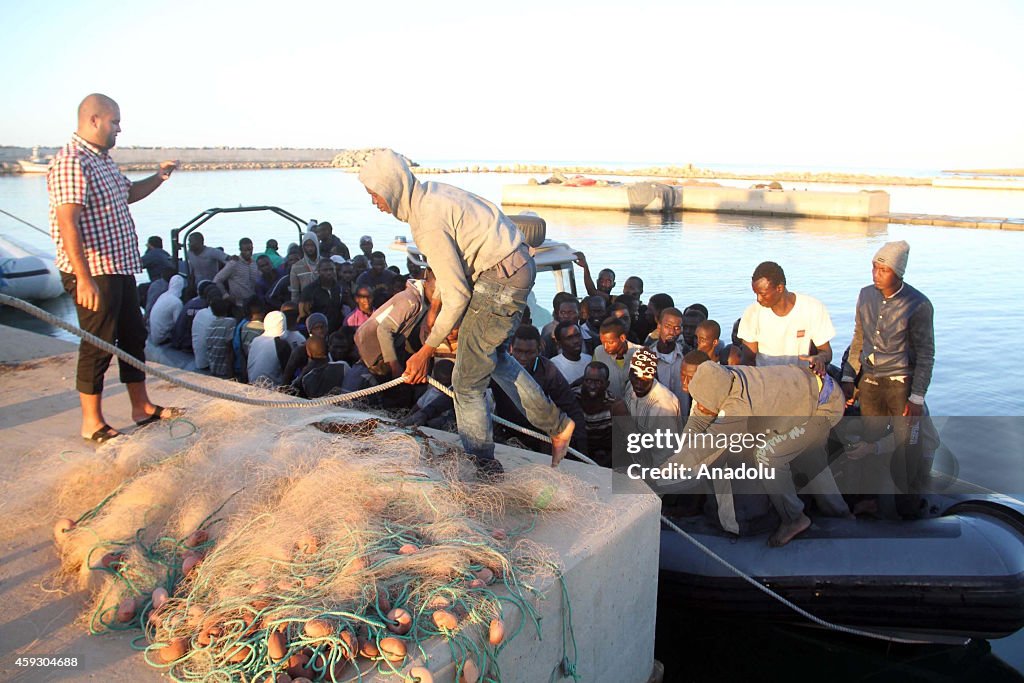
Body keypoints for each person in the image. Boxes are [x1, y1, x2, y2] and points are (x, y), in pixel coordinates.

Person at [359, 149, 575, 472]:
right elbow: (453, 275)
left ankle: (482, 468)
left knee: (466, 383)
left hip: (499, 276)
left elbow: (458, 295)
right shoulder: (430, 194)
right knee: (495, 359)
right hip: (515, 266)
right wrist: (435, 319)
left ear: (391, 187)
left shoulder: (426, 222)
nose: (375, 203)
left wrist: (426, 350)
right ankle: (557, 426)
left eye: (375, 194)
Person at [47, 93, 182, 441]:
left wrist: (160, 177)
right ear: (94, 120)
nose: (119, 129)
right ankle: (92, 422)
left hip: (119, 267)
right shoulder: (72, 162)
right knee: (98, 344)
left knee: (133, 338)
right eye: (115, 121)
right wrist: (83, 278)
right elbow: (68, 223)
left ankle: (142, 406)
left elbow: (129, 194)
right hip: (94, 271)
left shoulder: (103, 161)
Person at [660, 362, 850, 546]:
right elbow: (698, 423)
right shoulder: (725, 375)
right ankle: (840, 512)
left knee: (768, 456)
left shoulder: (738, 409)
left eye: (703, 405)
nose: (700, 407)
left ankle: (794, 518)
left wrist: (661, 475)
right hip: (807, 391)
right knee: (810, 455)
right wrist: (678, 453)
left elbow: (702, 448)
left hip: (824, 406)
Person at [842, 241, 935, 518]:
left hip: (900, 383)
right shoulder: (865, 295)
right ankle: (869, 500)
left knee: (908, 446)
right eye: (874, 267)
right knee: (870, 440)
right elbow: (859, 338)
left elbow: (926, 354)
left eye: (883, 269)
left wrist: (917, 396)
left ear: (898, 272)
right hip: (870, 382)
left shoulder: (918, 304)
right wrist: (849, 374)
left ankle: (910, 507)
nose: (876, 274)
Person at [495, 326, 588, 456]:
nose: (523, 357)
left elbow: (571, 406)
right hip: (506, 431)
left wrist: (581, 448)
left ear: (539, 349)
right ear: (510, 348)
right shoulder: (498, 365)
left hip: (538, 436)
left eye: (529, 352)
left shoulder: (548, 371)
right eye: (518, 351)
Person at [738, 261, 835, 374]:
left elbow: (826, 352)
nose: (758, 299)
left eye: (763, 294)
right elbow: (748, 359)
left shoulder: (812, 308)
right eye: (756, 294)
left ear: (779, 288)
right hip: (765, 381)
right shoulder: (753, 313)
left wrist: (819, 359)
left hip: (799, 379)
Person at [354, 269, 436, 379]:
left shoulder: (424, 302)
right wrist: (394, 365)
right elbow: (384, 330)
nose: (436, 296)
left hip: (389, 346)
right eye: (434, 291)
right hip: (374, 351)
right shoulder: (410, 302)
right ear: (426, 282)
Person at [574, 361, 630, 467]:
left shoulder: (615, 405)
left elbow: (627, 442)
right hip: (579, 452)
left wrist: (601, 466)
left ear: (607, 384)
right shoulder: (574, 397)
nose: (592, 386)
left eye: (598, 382)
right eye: (588, 381)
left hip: (607, 456)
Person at [645, 306, 689, 407]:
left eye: (677, 328)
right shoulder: (648, 356)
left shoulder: (686, 355)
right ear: (659, 326)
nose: (672, 332)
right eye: (668, 326)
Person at [593, 317, 641, 400]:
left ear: (622, 338)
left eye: (610, 342)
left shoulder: (640, 353)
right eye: (602, 342)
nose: (605, 347)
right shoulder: (598, 352)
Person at [300, 258, 345, 333]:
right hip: (317, 331)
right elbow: (303, 314)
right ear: (319, 272)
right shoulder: (309, 290)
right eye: (325, 270)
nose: (329, 273)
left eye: (331, 269)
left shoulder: (340, 288)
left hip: (336, 331)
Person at [247, 310, 290, 386]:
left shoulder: (255, 340)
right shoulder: (281, 344)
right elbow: (288, 372)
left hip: (252, 384)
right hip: (272, 390)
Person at [214, 237, 259, 306]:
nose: (248, 252)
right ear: (240, 250)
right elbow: (217, 280)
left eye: (250, 249)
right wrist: (226, 296)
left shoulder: (255, 263)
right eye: (245, 250)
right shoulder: (233, 264)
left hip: (253, 302)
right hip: (238, 303)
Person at [205, 296, 237, 379]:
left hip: (213, 368)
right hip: (225, 369)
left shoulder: (210, 325)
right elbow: (229, 347)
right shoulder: (231, 322)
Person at [149, 274, 185, 345]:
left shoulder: (163, 295)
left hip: (155, 336)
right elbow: (179, 325)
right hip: (163, 338)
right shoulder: (177, 303)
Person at [289, 230, 320, 301]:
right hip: (305, 303)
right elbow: (294, 292)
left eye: (312, 245)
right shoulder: (296, 267)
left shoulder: (325, 264)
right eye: (307, 245)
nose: (310, 248)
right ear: (303, 247)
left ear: (317, 245)